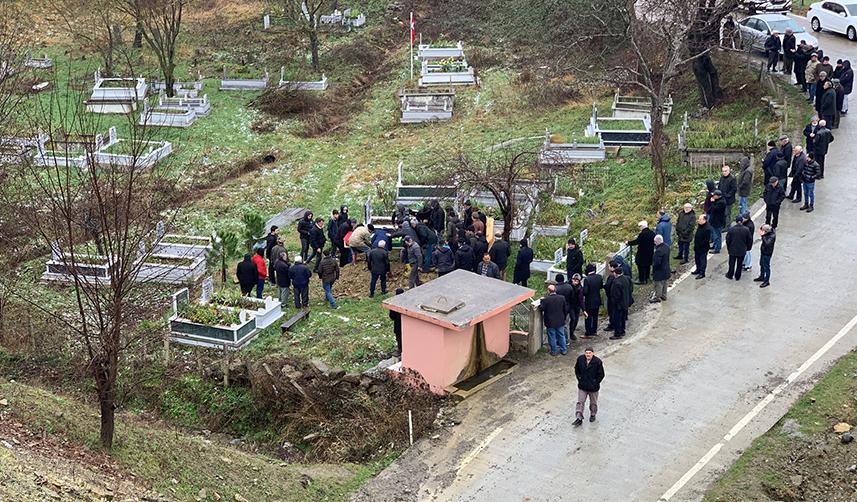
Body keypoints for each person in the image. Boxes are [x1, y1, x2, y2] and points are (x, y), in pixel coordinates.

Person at [573, 348, 605, 426]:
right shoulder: (580, 359)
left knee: (593, 403)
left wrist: (595, 382)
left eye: (589, 353)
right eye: (586, 353)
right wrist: (579, 378)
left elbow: (601, 374)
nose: (588, 354)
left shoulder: (597, 362)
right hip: (582, 386)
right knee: (580, 402)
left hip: (593, 388)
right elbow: (576, 369)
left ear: (593, 353)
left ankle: (593, 414)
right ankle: (579, 418)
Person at [539, 284, 568, 356]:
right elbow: (565, 309)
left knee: (552, 336)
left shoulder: (546, 300)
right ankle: (564, 350)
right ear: (555, 290)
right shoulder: (562, 298)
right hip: (560, 320)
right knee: (561, 335)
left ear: (548, 291)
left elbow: (541, 308)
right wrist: (564, 318)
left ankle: (554, 351)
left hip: (550, 321)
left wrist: (541, 301)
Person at [627, 220, 655, 284]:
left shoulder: (642, 234)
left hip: (642, 253)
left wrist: (628, 242)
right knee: (647, 265)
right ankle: (647, 277)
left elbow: (637, 241)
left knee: (641, 266)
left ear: (642, 226)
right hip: (650, 252)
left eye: (640, 226)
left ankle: (641, 280)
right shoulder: (652, 233)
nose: (640, 228)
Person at [608, 267, 632, 339]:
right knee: (623, 318)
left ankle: (617, 334)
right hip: (625, 302)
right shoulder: (626, 279)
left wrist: (613, 303)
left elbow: (615, 295)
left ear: (615, 273)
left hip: (618, 304)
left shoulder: (616, 282)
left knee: (617, 318)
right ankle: (622, 331)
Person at [725, 216, 752, 281]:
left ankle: (730, 274)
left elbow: (728, 240)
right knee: (739, 264)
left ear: (736, 221)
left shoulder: (731, 229)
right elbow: (749, 240)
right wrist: (747, 247)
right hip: (742, 250)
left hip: (733, 249)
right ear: (742, 221)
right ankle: (737, 276)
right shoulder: (746, 229)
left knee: (731, 263)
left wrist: (729, 248)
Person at [581, 264, 603, 338]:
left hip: (589, 301)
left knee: (588, 317)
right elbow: (601, 286)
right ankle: (594, 330)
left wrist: (582, 290)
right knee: (595, 316)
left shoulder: (587, 279)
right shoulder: (599, 277)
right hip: (597, 300)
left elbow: (585, 292)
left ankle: (588, 332)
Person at [650, 234, 670, 303]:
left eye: (655, 241)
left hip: (659, 271)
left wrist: (653, 270)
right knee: (665, 283)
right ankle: (664, 295)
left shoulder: (658, 251)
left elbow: (656, 263)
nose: (654, 243)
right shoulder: (667, 247)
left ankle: (657, 297)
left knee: (658, 285)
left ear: (658, 241)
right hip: (666, 269)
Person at [692, 214, 712, 280]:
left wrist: (700, 245)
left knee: (702, 260)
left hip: (703, 248)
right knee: (697, 259)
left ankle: (702, 273)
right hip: (697, 246)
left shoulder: (707, 228)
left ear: (704, 220)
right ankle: (698, 269)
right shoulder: (700, 226)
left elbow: (706, 240)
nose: (698, 220)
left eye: (700, 219)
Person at [568, 273, 586, 339]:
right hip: (570, 305)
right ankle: (570, 332)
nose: (575, 281)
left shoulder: (580, 288)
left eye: (577, 280)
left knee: (576, 319)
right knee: (573, 318)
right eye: (574, 280)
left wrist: (583, 309)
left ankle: (572, 332)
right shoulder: (568, 286)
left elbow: (581, 299)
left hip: (577, 305)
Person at [390, 288, 405, 357]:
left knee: (399, 338)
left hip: (398, 325)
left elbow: (392, 316)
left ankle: (400, 350)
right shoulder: (407, 301)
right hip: (406, 324)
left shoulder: (394, 303)